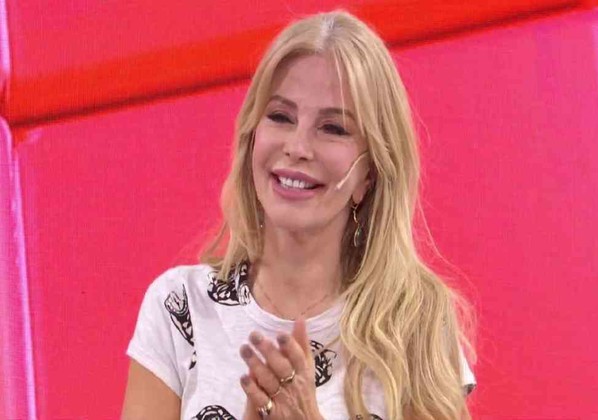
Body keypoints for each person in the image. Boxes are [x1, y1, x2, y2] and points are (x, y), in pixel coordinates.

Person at [122, 9, 477, 420]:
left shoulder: (416, 322)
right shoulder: (179, 305)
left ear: (369, 175)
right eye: (280, 117)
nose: (297, 147)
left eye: (333, 128)